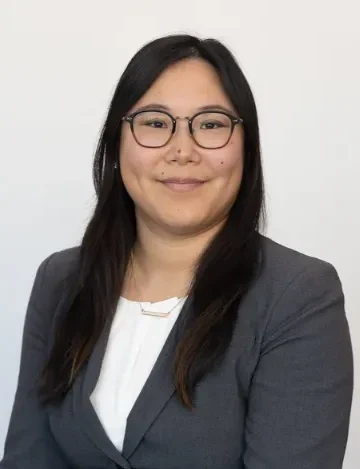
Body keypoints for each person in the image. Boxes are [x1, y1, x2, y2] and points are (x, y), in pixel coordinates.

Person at [0, 34, 353, 469]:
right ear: (117, 142)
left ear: (246, 145)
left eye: (210, 124)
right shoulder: (62, 280)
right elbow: (27, 459)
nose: (182, 150)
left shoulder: (298, 295)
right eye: (154, 122)